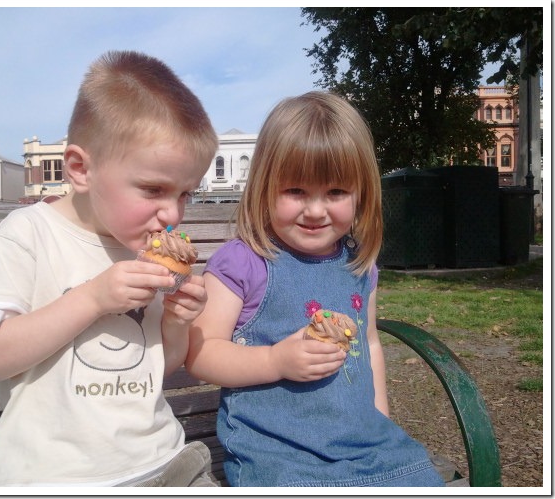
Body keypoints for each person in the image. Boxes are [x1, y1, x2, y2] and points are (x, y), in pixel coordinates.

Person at [0, 50, 219, 487]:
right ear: (81, 169)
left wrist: (176, 323)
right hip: (58, 476)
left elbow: (155, 370)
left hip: (162, 459)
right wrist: (92, 298)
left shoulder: (141, 247)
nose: (173, 215)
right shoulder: (27, 235)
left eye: (185, 194)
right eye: (154, 189)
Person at [185, 91, 445, 487]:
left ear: (361, 194)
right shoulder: (244, 262)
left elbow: (369, 345)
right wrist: (274, 361)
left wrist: (381, 422)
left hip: (365, 445)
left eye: (336, 193)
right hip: (278, 453)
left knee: (423, 481)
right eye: (296, 191)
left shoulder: (359, 264)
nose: (316, 210)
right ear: (264, 187)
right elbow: (200, 353)